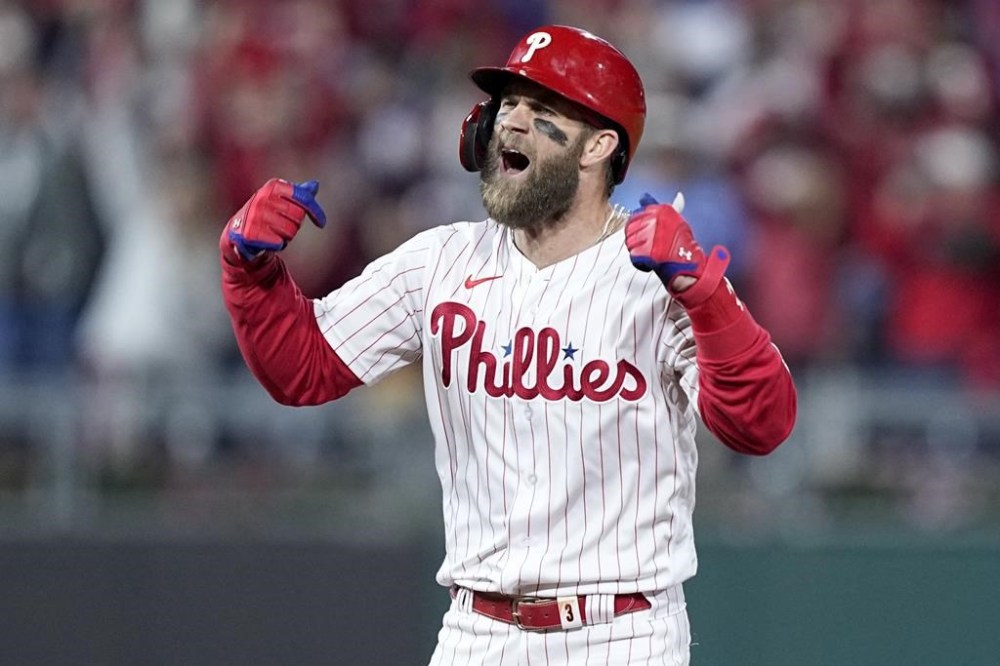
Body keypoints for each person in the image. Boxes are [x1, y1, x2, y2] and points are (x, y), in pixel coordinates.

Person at [219, 24, 796, 665]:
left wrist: (704, 294)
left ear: (599, 144)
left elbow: (761, 425)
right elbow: (303, 368)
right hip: (475, 631)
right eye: (507, 105)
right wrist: (252, 277)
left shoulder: (661, 276)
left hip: (620, 634)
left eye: (541, 110)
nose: (510, 124)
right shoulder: (441, 261)